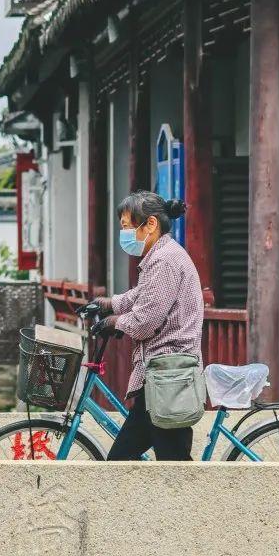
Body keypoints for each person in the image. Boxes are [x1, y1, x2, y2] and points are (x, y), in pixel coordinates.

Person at [93, 192, 204, 463]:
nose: (124, 235)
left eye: (126, 227)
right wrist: (107, 304)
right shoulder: (160, 256)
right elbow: (140, 297)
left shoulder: (164, 261)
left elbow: (144, 322)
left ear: (150, 224)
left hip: (167, 376)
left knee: (149, 463)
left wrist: (114, 322)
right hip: (161, 375)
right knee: (163, 462)